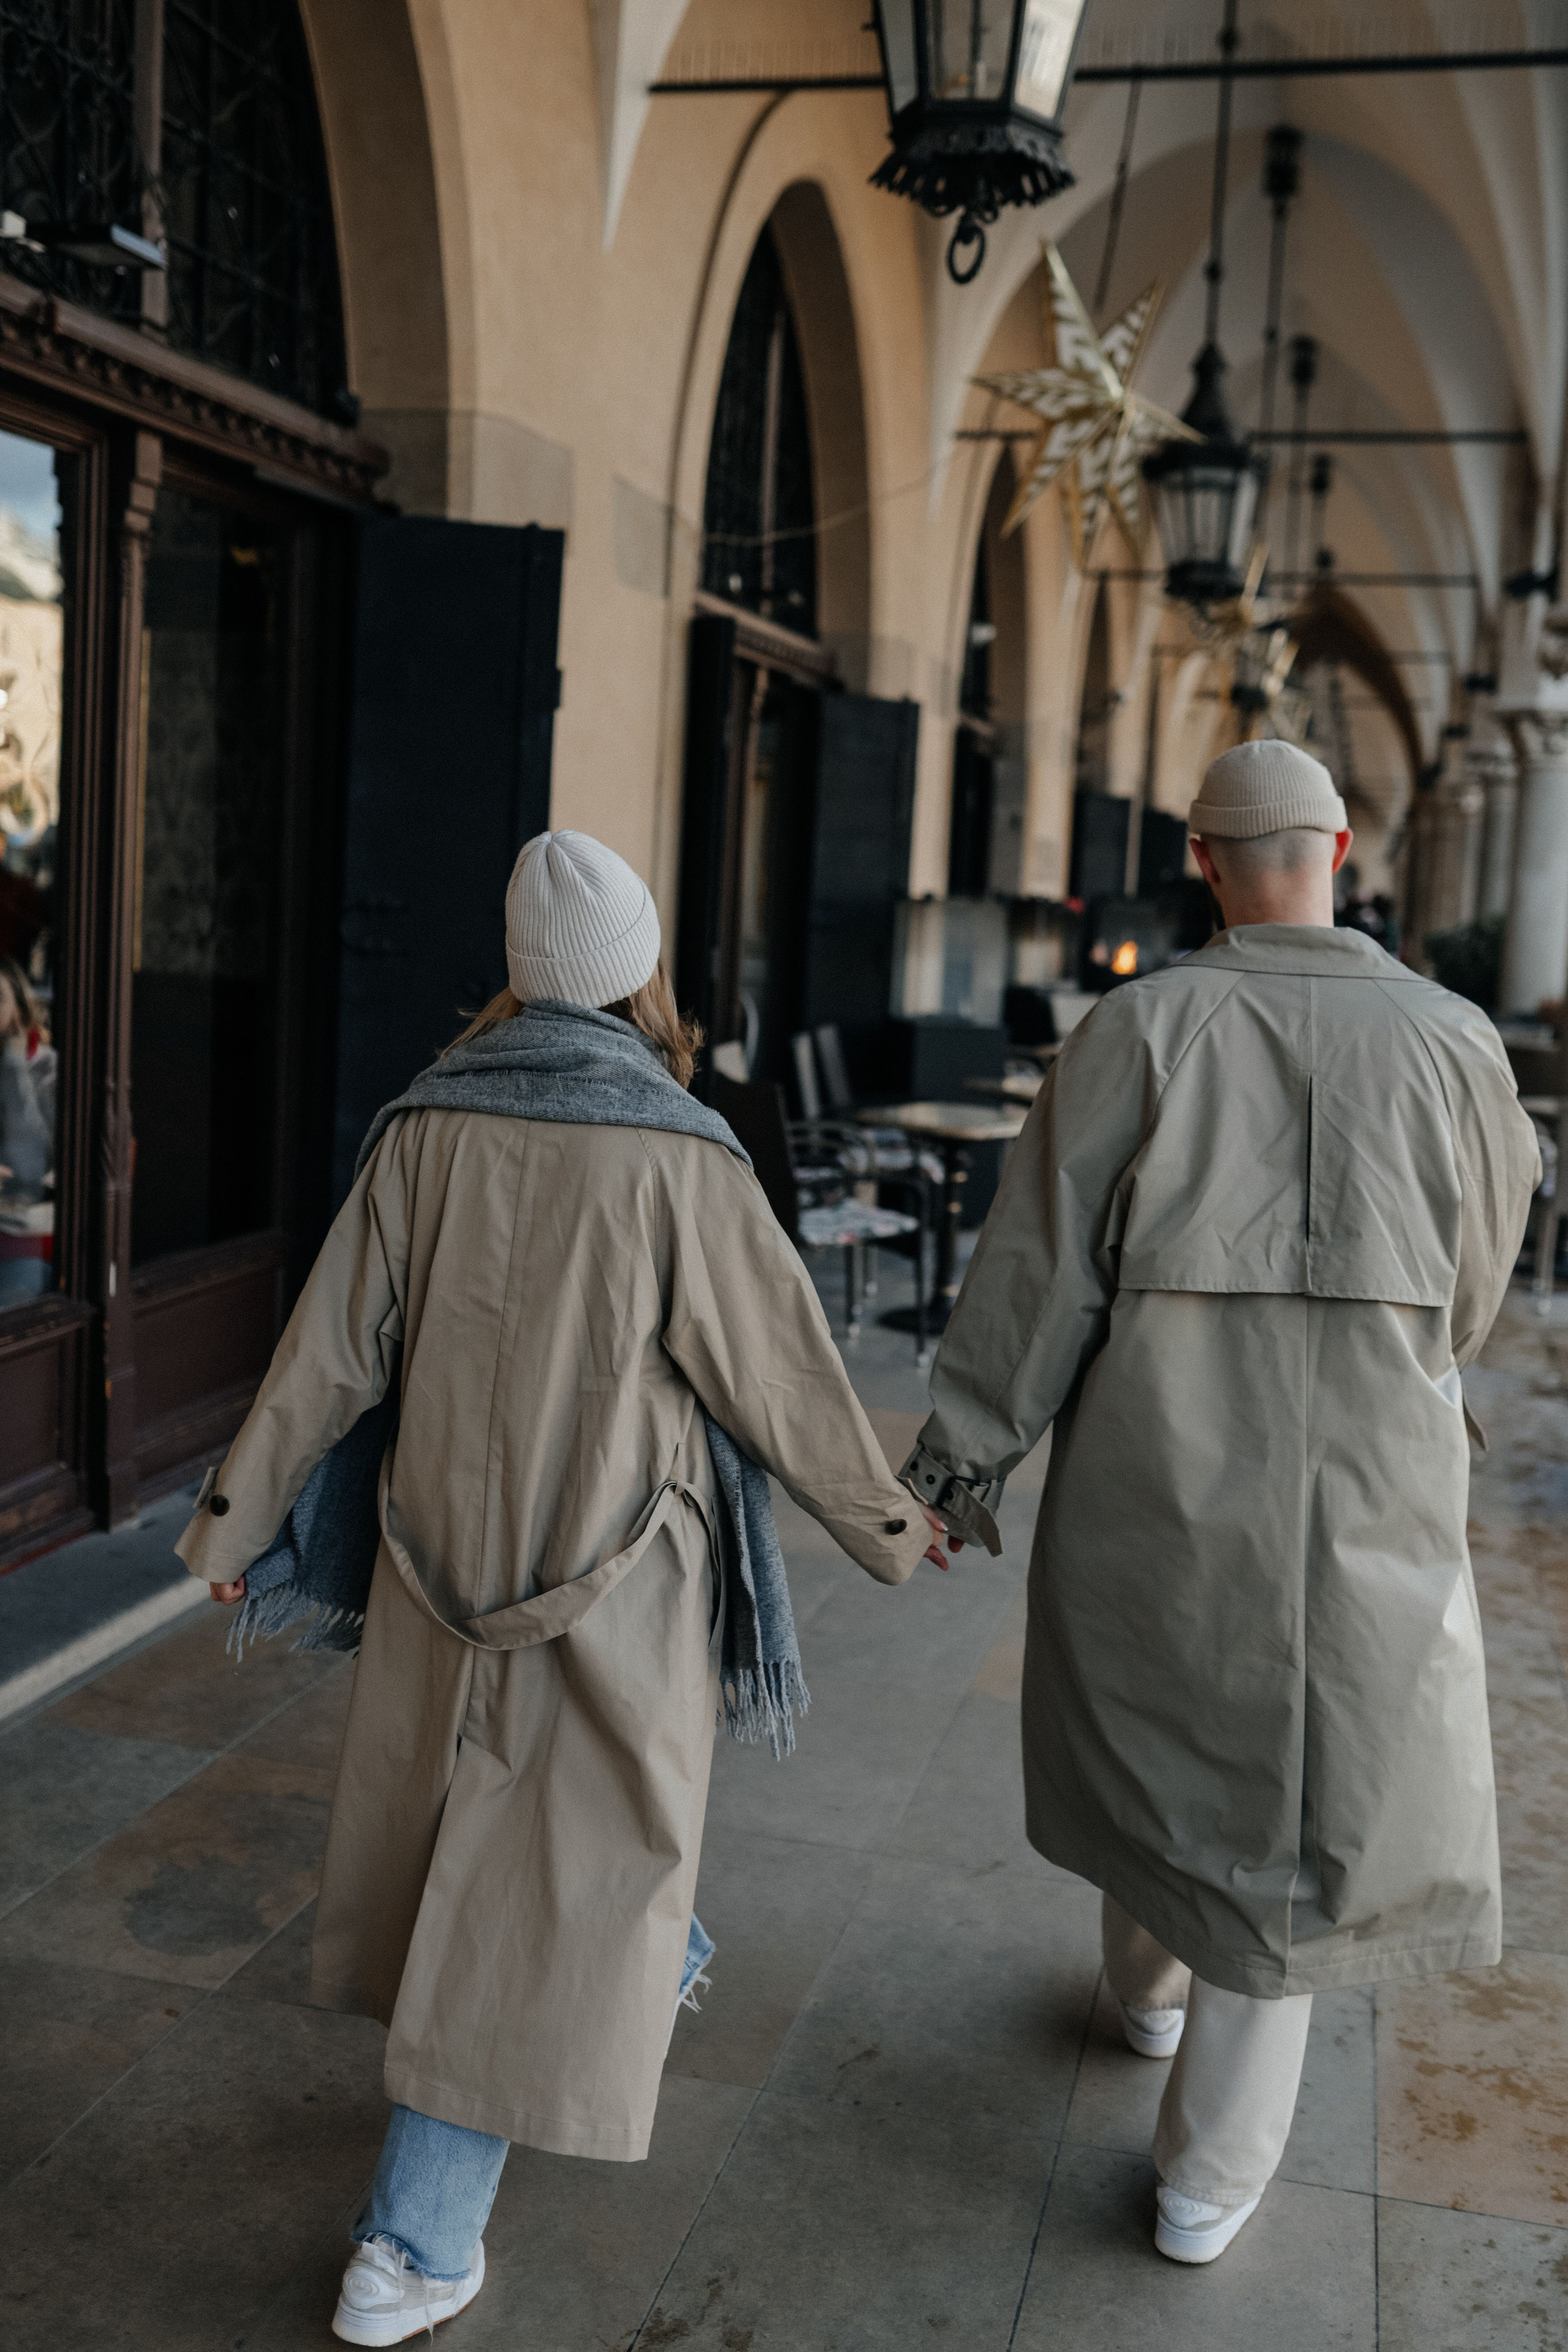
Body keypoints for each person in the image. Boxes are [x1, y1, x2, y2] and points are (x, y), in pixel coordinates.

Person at [177, 830, 943, 2346]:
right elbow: (782, 1376)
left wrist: (231, 1527)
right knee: (535, 1896)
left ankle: (650, 1962)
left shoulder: (421, 1129)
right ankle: (409, 2245)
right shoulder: (679, 1148)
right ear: (638, 972)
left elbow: (329, 1349)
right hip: (617, 1588)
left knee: (523, 1850)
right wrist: (893, 1525)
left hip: (433, 1572)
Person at [903, 739, 1540, 2264]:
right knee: (1314, 1788)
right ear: (1334, 845)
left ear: (1200, 856)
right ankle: (1207, 2174)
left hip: (1157, 1464)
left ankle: (1141, 1989)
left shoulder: (1142, 1025)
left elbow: (1035, 1275)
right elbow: (1476, 1285)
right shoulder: (1454, 1039)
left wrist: (953, 1471)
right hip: (1374, 1481)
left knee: (1159, 1722)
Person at [0, 953, 55, 1302]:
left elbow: (31, 1167)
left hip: (23, 1242)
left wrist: (15, 1063)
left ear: (19, 1010)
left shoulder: (47, 1071)